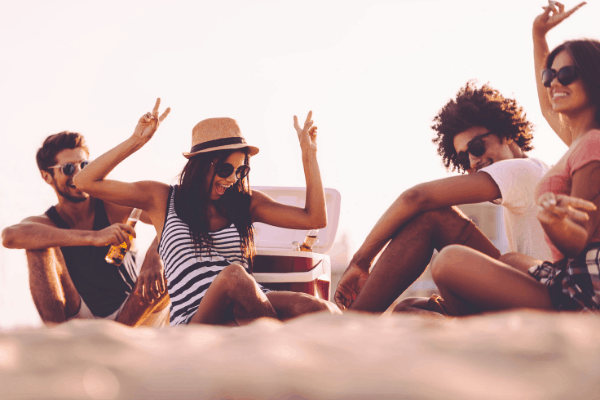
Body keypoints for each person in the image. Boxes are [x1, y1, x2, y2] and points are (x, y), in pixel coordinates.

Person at [74, 100, 340, 326]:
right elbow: (85, 182)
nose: (233, 179)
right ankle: (273, 352)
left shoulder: (246, 204)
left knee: (321, 310)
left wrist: (309, 154)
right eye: (226, 170)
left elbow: (314, 219)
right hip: (196, 319)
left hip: (246, 307)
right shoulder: (162, 198)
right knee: (235, 276)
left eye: (241, 171)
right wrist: (137, 141)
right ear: (201, 165)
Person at [430, 1, 600, 315]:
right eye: (551, 74)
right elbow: (548, 104)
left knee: (449, 262)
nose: (554, 83)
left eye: (566, 74)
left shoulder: (591, 144)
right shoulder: (581, 140)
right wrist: (538, 37)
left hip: (584, 291)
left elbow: (579, 239)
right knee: (508, 260)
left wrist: (552, 221)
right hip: (570, 275)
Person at [334, 81, 553, 314]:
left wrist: (361, 261)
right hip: (530, 290)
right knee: (408, 310)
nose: (472, 162)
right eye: (462, 159)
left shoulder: (523, 169)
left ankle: (353, 321)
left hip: (545, 297)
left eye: (477, 146)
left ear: (506, 133)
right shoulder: (531, 175)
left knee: (433, 217)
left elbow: (416, 197)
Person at [1, 131, 169, 326]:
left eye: (85, 165)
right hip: (82, 317)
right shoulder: (48, 223)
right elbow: (10, 236)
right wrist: (93, 237)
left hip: (135, 314)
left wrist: (154, 256)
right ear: (47, 176)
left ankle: (113, 338)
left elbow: (169, 217)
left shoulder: (114, 206)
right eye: (68, 168)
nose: (79, 173)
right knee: (38, 246)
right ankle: (55, 340)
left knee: (167, 261)